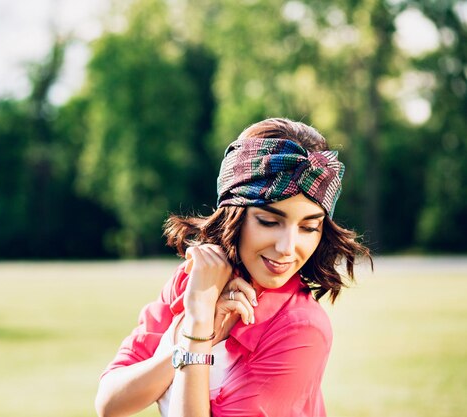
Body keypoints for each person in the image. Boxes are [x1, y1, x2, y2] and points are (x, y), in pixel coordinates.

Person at [95, 118, 372, 417]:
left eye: (309, 227)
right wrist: (189, 336)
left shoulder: (300, 328)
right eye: (269, 221)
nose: (287, 248)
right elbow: (110, 404)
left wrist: (199, 326)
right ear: (234, 213)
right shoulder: (194, 280)